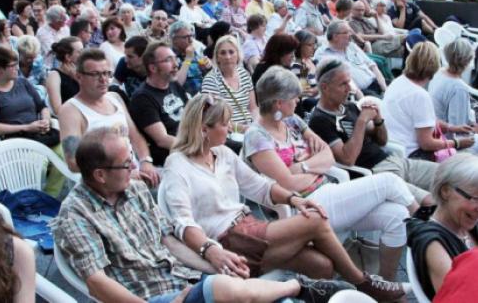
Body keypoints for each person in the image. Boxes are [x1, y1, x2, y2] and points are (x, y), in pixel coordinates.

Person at [52, 127, 353, 303]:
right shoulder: (76, 214)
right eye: (125, 164)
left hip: (183, 281)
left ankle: (297, 290)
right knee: (222, 288)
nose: (134, 168)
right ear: (100, 175)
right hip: (149, 298)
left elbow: (169, 240)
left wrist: (212, 260)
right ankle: (300, 285)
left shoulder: (135, 191)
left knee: (251, 291)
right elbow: (96, 283)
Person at [159, 94, 405, 301]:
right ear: (204, 129)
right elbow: (183, 223)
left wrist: (294, 200)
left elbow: (260, 187)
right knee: (315, 220)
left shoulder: (222, 153)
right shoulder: (177, 165)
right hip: (226, 242)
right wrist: (210, 250)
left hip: (248, 230)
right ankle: (365, 284)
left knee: (322, 265)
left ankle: (350, 289)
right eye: (225, 124)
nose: (232, 128)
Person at [244, 66, 419, 281]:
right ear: (279, 103)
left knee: (398, 216)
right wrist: (312, 167)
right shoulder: (257, 137)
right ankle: (426, 237)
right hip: (305, 206)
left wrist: (304, 166)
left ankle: (385, 283)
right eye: (294, 97)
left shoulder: (293, 121)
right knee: (390, 182)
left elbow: (328, 155)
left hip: (328, 190)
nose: (298, 101)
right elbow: (287, 183)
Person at [308, 58, 439, 205]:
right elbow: (348, 159)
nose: (349, 89)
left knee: (450, 175)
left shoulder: (350, 107)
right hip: (375, 174)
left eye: (349, 82)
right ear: (325, 87)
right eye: (343, 84)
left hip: (393, 161)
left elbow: (382, 141)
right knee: (430, 201)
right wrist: (362, 121)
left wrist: (378, 119)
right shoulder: (320, 120)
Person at [58, 49, 158, 185]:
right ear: (79, 77)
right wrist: (122, 170)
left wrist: (146, 161)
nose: (103, 79)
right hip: (103, 182)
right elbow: (74, 162)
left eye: (106, 73)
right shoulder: (71, 110)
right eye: (95, 74)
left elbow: (136, 137)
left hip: (134, 172)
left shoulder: (115, 98)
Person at [0, 46, 65, 196]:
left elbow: (42, 106)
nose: (17, 68)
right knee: (40, 164)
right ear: (0, 69)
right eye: (12, 66)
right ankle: (34, 197)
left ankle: (51, 197)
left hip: (40, 134)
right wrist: (27, 127)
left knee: (64, 155)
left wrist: (46, 120)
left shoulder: (23, 83)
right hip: (16, 140)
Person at [383, 42, 474, 160]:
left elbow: (424, 120)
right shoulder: (420, 95)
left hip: (393, 148)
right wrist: (456, 143)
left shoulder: (398, 82)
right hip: (411, 155)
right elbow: (426, 144)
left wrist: (451, 128)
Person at [407, 154, 478, 300]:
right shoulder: (433, 242)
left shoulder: (465, 223)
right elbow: (459, 296)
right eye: (475, 198)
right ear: (446, 191)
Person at [129, 42, 189, 166]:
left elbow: (192, 114)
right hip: (175, 156)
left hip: (192, 142)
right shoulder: (142, 98)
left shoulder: (173, 84)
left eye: (175, 59)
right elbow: (163, 140)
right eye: (168, 60)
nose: (176, 65)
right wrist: (199, 147)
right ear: (153, 68)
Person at [314, 21, 386, 97]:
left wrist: (384, 88)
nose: (350, 35)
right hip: (362, 92)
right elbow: (345, 80)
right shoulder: (324, 54)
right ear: (335, 36)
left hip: (377, 83)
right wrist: (361, 98)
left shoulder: (352, 46)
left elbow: (372, 66)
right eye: (346, 32)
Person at [429, 39, 478, 147]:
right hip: (446, 141)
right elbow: (459, 130)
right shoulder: (458, 88)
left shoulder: (439, 72)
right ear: (468, 60)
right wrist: (475, 130)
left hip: (434, 129)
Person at [202, 35, 258, 129]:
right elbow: (215, 119)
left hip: (250, 127)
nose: (227, 57)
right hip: (228, 132)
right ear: (217, 57)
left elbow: (253, 108)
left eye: (231, 52)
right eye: (223, 53)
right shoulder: (211, 80)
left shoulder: (244, 74)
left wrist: (257, 124)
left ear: (238, 55)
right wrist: (244, 129)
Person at [169, 21, 212, 96]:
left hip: (206, 96)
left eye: (191, 36)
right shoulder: (169, 57)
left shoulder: (194, 52)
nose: (191, 40)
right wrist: (188, 59)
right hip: (189, 102)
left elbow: (209, 78)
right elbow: (176, 84)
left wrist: (208, 68)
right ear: (174, 40)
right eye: (186, 37)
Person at [45, 36, 82, 115]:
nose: (84, 54)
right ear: (68, 57)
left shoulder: (84, 71)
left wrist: (77, 78)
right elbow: (57, 110)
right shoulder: (54, 76)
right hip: (69, 118)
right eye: (80, 52)